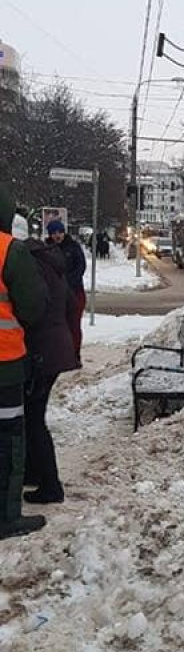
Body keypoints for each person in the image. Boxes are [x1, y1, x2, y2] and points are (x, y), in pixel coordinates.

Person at [0, 187, 48, 540]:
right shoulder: (10, 252)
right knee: (8, 441)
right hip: (4, 367)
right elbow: (32, 308)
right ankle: (7, 517)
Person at [23, 231, 79, 505]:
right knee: (32, 415)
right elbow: (70, 304)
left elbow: (30, 309)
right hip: (54, 349)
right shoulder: (51, 265)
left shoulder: (31, 267)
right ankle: (35, 473)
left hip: (41, 352)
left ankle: (49, 485)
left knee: (32, 419)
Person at [46, 218, 86, 362]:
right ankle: (60, 354)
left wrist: (67, 282)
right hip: (56, 296)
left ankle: (74, 354)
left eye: (60, 232)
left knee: (74, 325)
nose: (57, 235)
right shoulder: (47, 249)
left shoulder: (73, 247)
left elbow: (81, 267)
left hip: (74, 292)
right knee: (57, 326)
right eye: (54, 233)